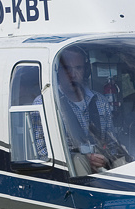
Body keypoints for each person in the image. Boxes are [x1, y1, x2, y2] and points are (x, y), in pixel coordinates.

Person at [36, 46, 128, 174]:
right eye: (67, 69)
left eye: (78, 68)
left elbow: (111, 140)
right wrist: (84, 158)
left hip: (101, 162)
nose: (73, 75)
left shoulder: (100, 101)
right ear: (57, 71)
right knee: (79, 160)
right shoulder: (45, 103)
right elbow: (41, 151)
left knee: (123, 161)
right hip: (66, 171)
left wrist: (105, 157)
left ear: (86, 71)